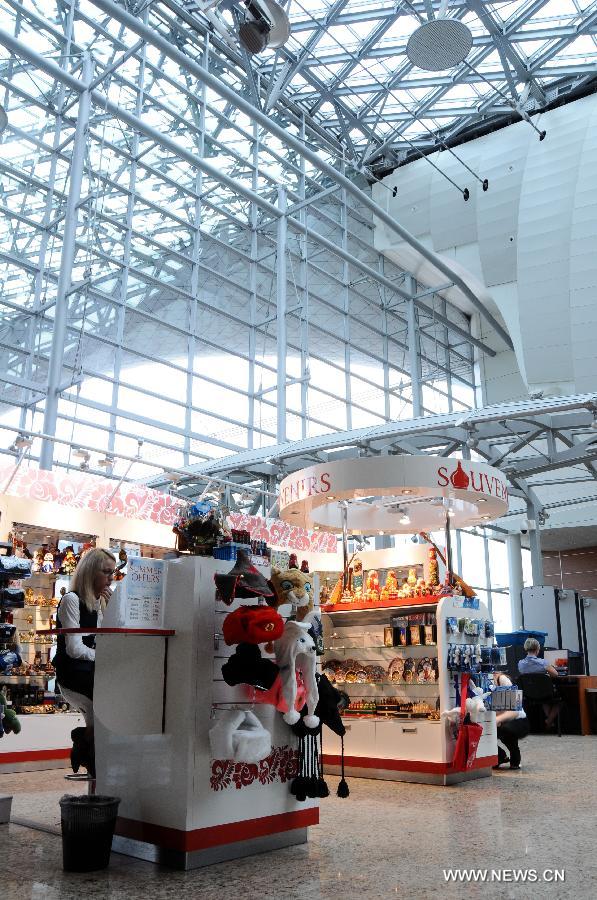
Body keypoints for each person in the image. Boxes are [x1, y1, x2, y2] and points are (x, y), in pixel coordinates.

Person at [53, 547, 116, 776]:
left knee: (108, 700)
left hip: (88, 669)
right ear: (91, 572)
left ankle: (85, 748)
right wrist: (103, 657)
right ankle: (85, 748)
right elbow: (75, 648)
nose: (111, 578)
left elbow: (101, 641)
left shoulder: (97, 603)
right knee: (107, 695)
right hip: (72, 671)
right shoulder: (71, 600)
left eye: (113, 573)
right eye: (107, 572)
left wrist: (111, 612)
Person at [518, 637, 560, 729]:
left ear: (525, 648)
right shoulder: (543, 663)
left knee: (544, 701)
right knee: (559, 702)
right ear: (538, 649)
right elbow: (556, 674)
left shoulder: (520, 664)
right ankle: (549, 721)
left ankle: (549, 722)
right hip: (544, 692)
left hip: (529, 694)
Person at [491, 671, 530, 770]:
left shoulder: (502, 679)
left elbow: (515, 711)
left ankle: (513, 759)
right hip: (499, 719)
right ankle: (500, 756)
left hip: (518, 721)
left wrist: (497, 719)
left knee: (505, 731)